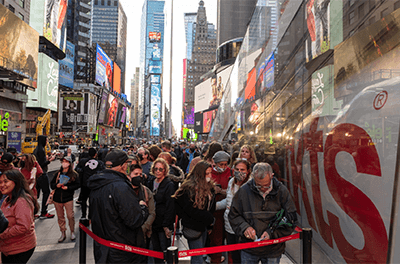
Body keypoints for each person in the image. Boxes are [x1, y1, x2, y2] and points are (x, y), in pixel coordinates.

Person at [87, 150, 149, 263]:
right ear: (123, 166)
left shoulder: (96, 184)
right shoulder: (121, 187)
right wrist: (143, 208)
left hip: (103, 248)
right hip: (123, 251)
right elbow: (134, 220)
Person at [229, 163, 297, 264]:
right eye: (258, 185)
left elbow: (290, 218)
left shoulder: (281, 191)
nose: (262, 189)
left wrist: (271, 233)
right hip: (249, 248)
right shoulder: (244, 191)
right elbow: (233, 215)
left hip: (273, 249)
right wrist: (245, 227)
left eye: (266, 185)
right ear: (253, 177)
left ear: (271, 176)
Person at [173, 161, 216, 264]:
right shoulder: (188, 188)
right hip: (193, 227)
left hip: (205, 226)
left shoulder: (210, 187)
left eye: (210, 173)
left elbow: (211, 207)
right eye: (207, 173)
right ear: (200, 174)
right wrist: (207, 218)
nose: (210, 176)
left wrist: (209, 224)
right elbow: (184, 207)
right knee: (197, 258)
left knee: (200, 254)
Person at [0, 169, 40, 263]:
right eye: (0, 182)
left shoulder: (21, 201)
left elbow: (23, 227)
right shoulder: (7, 200)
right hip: (8, 248)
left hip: (20, 248)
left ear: (16, 182)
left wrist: (2, 235)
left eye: (6, 181)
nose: (2, 185)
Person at [148, 158, 175, 264]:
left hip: (163, 223)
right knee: (155, 250)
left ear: (165, 170)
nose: (158, 171)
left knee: (165, 250)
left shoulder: (169, 184)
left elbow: (170, 206)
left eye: (160, 169)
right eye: (156, 169)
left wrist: (166, 225)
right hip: (152, 222)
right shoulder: (150, 182)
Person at [224, 159, 252, 263]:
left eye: (242, 169)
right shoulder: (231, 181)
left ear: (248, 171)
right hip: (229, 225)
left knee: (244, 256)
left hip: (243, 225)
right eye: (237, 169)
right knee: (234, 255)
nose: (239, 172)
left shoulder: (250, 185)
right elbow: (228, 200)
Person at [129, 163, 155, 262]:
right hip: (128, 235)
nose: (139, 177)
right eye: (136, 174)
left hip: (144, 234)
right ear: (129, 175)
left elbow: (152, 213)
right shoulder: (124, 191)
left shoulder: (145, 191)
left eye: (140, 174)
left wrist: (143, 228)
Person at [50, 156, 80, 242]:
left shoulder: (74, 174)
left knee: (70, 216)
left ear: (70, 164)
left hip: (68, 198)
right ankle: (63, 232)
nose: (64, 163)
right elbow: (51, 184)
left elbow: (77, 185)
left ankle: (72, 231)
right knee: (60, 217)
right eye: (63, 161)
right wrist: (56, 185)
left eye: (66, 162)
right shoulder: (58, 174)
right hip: (57, 199)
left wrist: (68, 188)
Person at [209, 151, 231, 263]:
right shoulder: (209, 173)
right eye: (221, 164)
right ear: (215, 163)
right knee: (216, 240)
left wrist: (222, 191)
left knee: (231, 241)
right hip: (215, 212)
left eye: (225, 164)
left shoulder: (230, 172)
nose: (223, 167)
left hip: (228, 211)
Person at [75, 148, 104, 218]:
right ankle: (90, 216)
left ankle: (83, 215)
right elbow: (103, 172)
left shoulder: (83, 161)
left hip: (84, 183)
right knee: (92, 201)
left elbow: (76, 169)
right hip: (94, 185)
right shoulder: (100, 163)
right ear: (95, 154)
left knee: (83, 200)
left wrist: (82, 171)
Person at [33, 135, 56, 219]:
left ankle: (32, 212)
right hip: (42, 174)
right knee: (46, 192)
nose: (47, 142)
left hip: (36, 174)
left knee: (36, 194)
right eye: (46, 140)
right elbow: (42, 164)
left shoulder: (36, 149)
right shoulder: (41, 150)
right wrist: (50, 160)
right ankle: (44, 212)